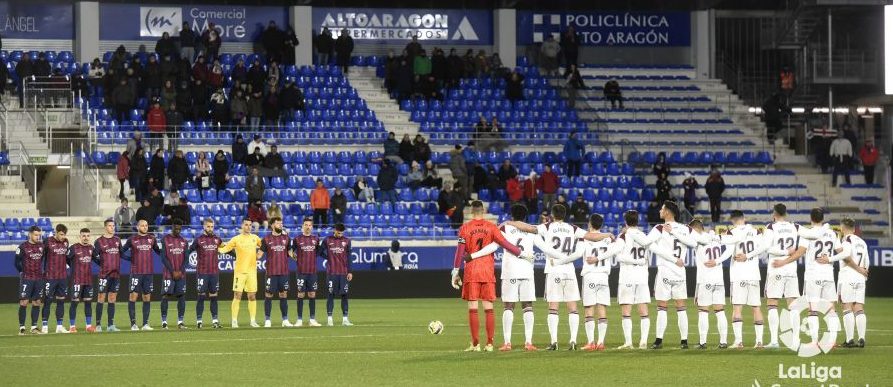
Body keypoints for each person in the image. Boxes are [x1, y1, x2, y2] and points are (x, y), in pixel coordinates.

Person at [502, 204, 614, 351]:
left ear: (553, 215)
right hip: (569, 270)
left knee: (553, 308)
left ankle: (554, 342)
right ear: (565, 214)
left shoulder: (547, 227)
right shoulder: (572, 228)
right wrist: (607, 234)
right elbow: (591, 237)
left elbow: (529, 228)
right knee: (572, 307)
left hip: (554, 269)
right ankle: (573, 340)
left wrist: (510, 222)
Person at [451, 201, 525, 351]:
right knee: (488, 307)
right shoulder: (491, 227)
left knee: (473, 306)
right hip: (487, 271)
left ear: (471, 212)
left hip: (472, 271)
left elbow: (460, 251)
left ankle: (475, 344)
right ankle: (490, 344)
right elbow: (506, 244)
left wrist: (455, 271)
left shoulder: (465, 228)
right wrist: (522, 254)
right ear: (483, 211)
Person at [550, 213, 623, 351]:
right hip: (603, 277)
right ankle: (601, 342)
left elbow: (576, 255)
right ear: (601, 225)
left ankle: (591, 342)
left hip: (590, 276)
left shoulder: (585, 239)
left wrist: (558, 261)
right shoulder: (607, 240)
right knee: (602, 308)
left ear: (590, 224)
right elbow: (617, 249)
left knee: (589, 309)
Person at [473, 204, 539, 351]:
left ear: (512, 216)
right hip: (527, 271)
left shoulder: (504, 228)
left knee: (508, 306)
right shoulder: (532, 229)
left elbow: (493, 247)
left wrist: (474, 255)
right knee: (528, 306)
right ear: (525, 216)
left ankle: (507, 342)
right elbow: (544, 246)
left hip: (510, 271)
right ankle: (528, 342)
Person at [781, 208, 842, 345]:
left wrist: (785, 259)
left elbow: (800, 253)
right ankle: (832, 341)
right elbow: (841, 252)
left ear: (811, 219)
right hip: (828, 275)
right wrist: (830, 259)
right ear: (823, 218)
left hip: (813, 275)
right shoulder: (832, 233)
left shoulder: (807, 234)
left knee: (813, 309)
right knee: (831, 309)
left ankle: (815, 341)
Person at [646, 201, 698, 350]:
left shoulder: (659, 228)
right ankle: (684, 341)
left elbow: (646, 243)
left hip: (665, 271)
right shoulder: (685, 228)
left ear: (668, 212)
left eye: (662, 209)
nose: (660, 211)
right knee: (681, 307)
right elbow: (693, 243)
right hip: (680, 272)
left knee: (662, 306)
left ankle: (658, 340)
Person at [759, 203, 808, 349]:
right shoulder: (795, 226)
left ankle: (774, 341)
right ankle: (795, 340)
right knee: (793, 306)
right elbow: (809, 238)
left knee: (772, 303)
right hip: (791, 270)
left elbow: (767, 247)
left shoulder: (771, 227)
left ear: (774, 213)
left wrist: (784, 253)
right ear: (785, 213)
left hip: (776, 268)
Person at [722, 210, 765, 348]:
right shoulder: (756, 231)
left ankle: (738, 341)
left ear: (732, 220)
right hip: (753, 274)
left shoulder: (732, 232)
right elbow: (763, 248)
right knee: (756, 308)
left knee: (737, 308)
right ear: (744, 218)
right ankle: (759, 342)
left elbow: (728, 253)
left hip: (738, 274)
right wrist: (749, 255)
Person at [689, 219, 731, 349]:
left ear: (695, 229)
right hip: (718, 279)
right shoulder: (715, 237)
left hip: (705, 279)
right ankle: (723, 342)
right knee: (720, 311)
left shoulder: (697, 239)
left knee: (703, 311)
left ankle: (702, 342)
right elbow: (728, 248)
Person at [218, 219, 262, 328]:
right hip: (240, 272)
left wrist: (260, 254)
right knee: (237, 295)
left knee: (252, 296)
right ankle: (234, 321)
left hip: (252, 272)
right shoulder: (236, 239)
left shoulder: (255, 238)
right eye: (246, 225)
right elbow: (224, 249)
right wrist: (215, 246)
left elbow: (265, 246)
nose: (248, 227)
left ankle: (253, 321)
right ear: (242, 225)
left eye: (250, 225)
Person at [833, 218, 870, 348]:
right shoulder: (862, 242)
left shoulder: (846, 240)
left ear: (842, 228)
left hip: (848, 276)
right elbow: (867, 262)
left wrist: (857, 269)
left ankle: (849, 340)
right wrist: (863, 273)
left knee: (846, 307)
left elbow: (846, 257)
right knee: (858, 307)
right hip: (860, 278)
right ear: (854, 229)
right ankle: (862, 338)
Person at [121, 220, 162, 331]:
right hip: (136, 272)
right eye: (142, 225)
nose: (145, 227)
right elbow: (121, 251)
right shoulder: (132, 239)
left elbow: (158, 251)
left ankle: (145, 324)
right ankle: (133, 324)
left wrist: (168, 253)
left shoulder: (152, 239)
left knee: (147, 297)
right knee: (133, 297)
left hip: (148, 273)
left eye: (146, 225)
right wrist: (129, 259)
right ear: (138, 227)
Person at [91, 219, 123, 332]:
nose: (112, 228)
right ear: (105, 227)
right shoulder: (99, 241)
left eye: (113, 226)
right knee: (101, 298)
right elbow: (94, 256)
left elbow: (121, 253)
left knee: (112, 298)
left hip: (116, 274)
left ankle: (110, 325)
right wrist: (102, 264)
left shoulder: (117, 240)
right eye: (110, 226)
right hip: (104, 275)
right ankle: (98, 325)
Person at [261, 217, 293, 328]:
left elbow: (291, 254)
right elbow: (259, 255)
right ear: (272, 225)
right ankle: (267, 320)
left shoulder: (286, 238)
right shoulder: (266, 239)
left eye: (281, 223)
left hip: (283, 272)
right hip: (271, 272)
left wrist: (302, 257)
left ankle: (285, 320)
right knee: (268, 294)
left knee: (283, 294)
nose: (280, 225)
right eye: (278, 223)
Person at [191, 219, 223, 329]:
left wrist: (238, 256)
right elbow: (188, 252)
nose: (210, 229)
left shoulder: (217, 239)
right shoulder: (198, 240)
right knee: (201, 296)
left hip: (214, 273)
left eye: (212, 227)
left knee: (214, 296)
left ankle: (215, 321)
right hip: (202, 273)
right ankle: (199, 321)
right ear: (204, 227)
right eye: (208, 226)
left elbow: (226, 249)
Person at [321, 223, 353, 326]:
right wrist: (328, 257)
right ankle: (330, 319)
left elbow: (349, 257)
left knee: (344, 295)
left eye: (342, 233)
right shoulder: (327, 240)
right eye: (339, 232)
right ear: (335, 230)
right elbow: (320, 251)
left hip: (343, 273)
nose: (340, 234)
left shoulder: (347, 241)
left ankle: (345, 319)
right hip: (331, 273)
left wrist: (350, 271)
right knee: (330, 294)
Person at [292, 218, 322, 327]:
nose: (308, 227)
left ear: (312, 227)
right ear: (302, 226)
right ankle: (299, 319)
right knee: (300, 294)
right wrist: (293, 255)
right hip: (301, 271)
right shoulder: (297, 239)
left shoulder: (316, 239)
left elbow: (319, 251)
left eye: (310, 225)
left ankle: (312, 319)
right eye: (306, 225)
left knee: (312, 294)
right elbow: (291, 250)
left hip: (312, 271)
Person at [15, 226, 45, 335]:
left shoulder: (42, 246)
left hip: (38, 278)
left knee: (37, 302)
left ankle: (34, 327)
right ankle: (22, 328)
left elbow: (42, 260)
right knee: (24, 302)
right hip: (27, 278)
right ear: (30, 234)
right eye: (36, 235)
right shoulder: (23, 247)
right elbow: (16, 262)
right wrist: (22, 272)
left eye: (39, 235)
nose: (38, 237)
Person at [40, 225, 69, 334]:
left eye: (64, 234)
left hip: (62, 277)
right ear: (55, 232)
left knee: (61, 301)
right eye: (61, 234)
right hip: (50, 276)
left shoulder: (66, 242)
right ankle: (45, 326)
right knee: (47, 301)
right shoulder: (47, 241)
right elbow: (41, 256)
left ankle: (59, 326)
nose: (63, 237)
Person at [66, 228, 96, 332]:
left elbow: (96, 259)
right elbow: (66, 259)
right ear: (80, 236)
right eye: (84, 236)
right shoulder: (74, 248)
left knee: (88, 302)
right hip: (77, 280)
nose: (86, 238)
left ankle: (88, 326)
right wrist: (73, 267)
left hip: (88, 280)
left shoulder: (92, 248)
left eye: (88, 236)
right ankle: (72, 326)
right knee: (74, 302)